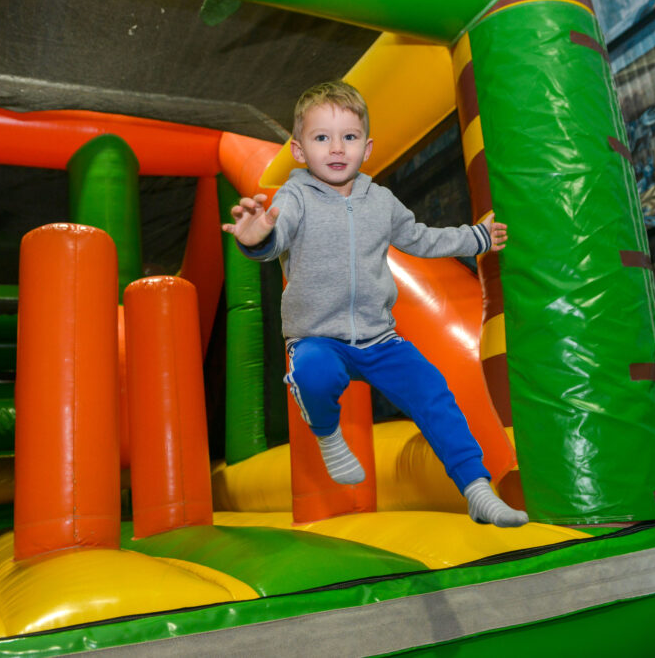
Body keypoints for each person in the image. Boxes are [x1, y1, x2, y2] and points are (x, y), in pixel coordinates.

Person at [221, 80, 528, 527]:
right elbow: (276, 235)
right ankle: (327, 433)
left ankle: (477, 489)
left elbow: (420, 238)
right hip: (317, 337)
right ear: (300, 150)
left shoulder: (380, 200)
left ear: (366, 148)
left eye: (348, 137)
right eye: (321, 137)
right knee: (313, 373)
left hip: (380, 338)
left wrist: (476, 237)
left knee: (434, 393)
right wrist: (257, 238)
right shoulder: (295, 196)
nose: (336, 148)